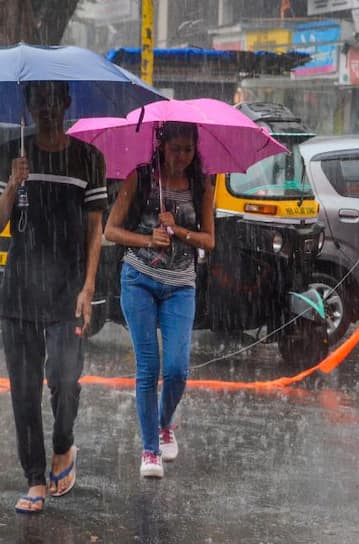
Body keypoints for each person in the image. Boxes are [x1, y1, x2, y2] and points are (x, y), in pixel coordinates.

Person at [0, 80, 107, 513]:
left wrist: (88, 286)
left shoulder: (88, 157)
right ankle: (35, 478)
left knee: (64, 379)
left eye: (54, 100)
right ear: (29, 106)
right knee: (23, 391)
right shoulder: (9, 153)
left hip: (67, 291)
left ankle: (64, 442)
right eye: (39, 101)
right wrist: (13, 185)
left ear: (67, 103)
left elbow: (95, 229)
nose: (47, 109)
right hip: (19, 292)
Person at [104, 121, 214, 478]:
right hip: (139, 280)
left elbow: (209, 240)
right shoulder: (140, 178)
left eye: (188, 150)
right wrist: (149, 239)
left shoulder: (202, 185)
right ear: (161, 146)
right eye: (175, 149)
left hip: (180, 286)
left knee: (177, 369)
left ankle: (164, 423)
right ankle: (150, 449)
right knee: (148, 367)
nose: (181, 157)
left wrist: (178, 230)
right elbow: (111, 230)